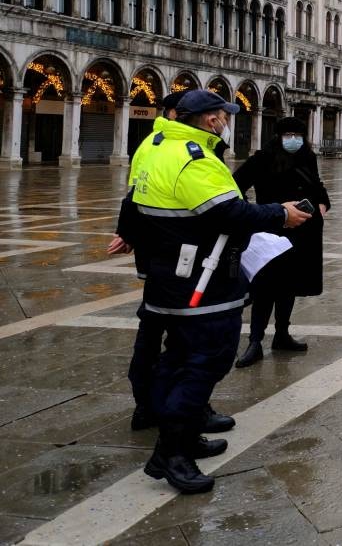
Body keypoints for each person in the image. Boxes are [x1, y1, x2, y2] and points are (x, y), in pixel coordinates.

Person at [112, 89, 311, 494]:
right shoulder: (194, 158)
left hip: (168, 271)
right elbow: (229, 212)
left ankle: (182, 436)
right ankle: (171, 453)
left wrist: (128, 233)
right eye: (223, 115)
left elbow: (134, 199)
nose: (226, 121)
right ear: (209, 120)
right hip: (200, 276)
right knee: (206, 360)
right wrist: (280, 214)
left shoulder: (156, 146)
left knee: (177, 358)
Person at [117, 90, 233, 438]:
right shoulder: (166, 147)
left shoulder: (171, 144)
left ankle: (168, 409)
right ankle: (163, 411)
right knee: (177, 342)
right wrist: (128, 232)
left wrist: (127, 232)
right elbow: (135, 194)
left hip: (163, 256)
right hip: (173, 258)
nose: (224, 122)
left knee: (166, 339)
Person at [232, 117, 331, 368]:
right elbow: (235, 184)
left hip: (304, 231)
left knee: (290, 285)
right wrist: (256, 212)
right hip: (273, 231)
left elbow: (316, 185)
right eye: (288, 135)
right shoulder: (262, 158)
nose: (293, 140)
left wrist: (323, 203)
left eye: (297, 135)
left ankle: (282, 334)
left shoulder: (308, 157)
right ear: (278, 137)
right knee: (265, 287)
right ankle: (255, 341)